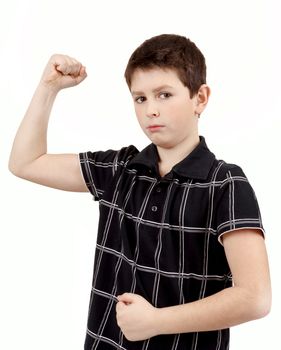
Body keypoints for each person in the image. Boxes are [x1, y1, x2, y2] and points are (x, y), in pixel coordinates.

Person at [8, 34, 271, 350]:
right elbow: (25, 162)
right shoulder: (121, 169)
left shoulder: (225, 184)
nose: (151, 111)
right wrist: (48, 88)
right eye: (140, 98)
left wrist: (157, 322)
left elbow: (255, 297)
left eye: (164, 95)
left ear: (200, 98)